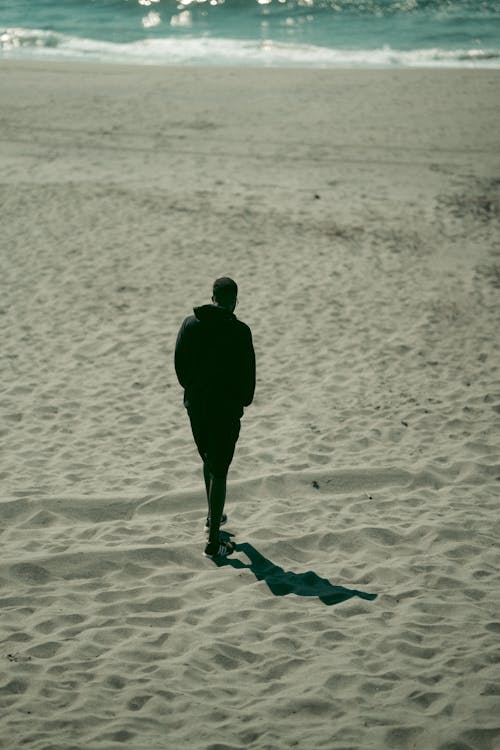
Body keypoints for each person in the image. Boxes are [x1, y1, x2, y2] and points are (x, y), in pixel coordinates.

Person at [175, 277, 256, 558]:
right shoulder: (240, 331)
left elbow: (180, 366)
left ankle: (213, 515)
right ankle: (213, 542)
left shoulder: (190, 324)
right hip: (225, 410)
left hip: (197, 406)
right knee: (220, 470)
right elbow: (248, 378)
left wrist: (193, 393)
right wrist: (241, 402)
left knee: (208, 460)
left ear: (212, 297)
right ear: (235, 301)